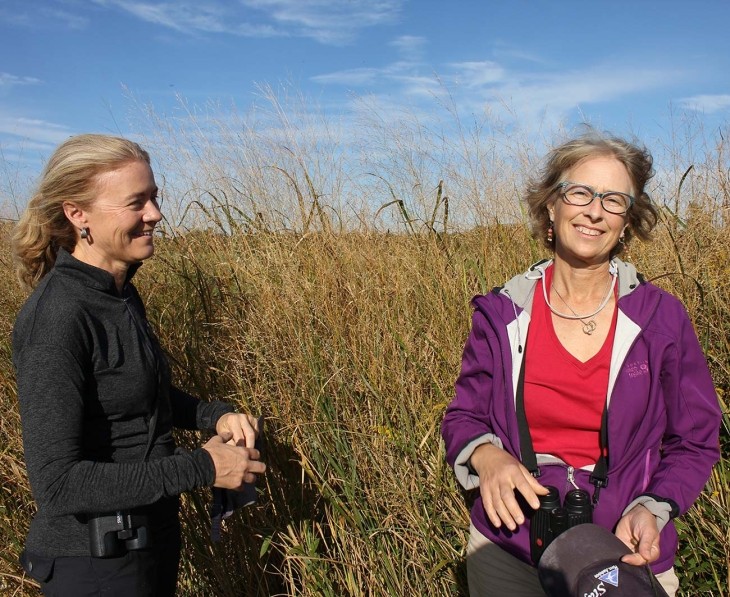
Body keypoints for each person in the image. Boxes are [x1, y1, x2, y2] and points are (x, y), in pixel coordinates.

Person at [441, 133, 721, 596]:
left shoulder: (660, 319)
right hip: (509, 551)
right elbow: (463, 416)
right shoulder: (501, 314)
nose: (595, 210)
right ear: (551, 206)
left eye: (614, 200)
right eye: (580, 192)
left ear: (627, 220)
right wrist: (486, 457)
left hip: (624, 552)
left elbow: (695, 440)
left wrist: (653, 508)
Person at [12, 134, 266, 596]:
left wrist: (215, 415)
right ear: (77, 214)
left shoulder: (121, 293)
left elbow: (139, 394)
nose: (155, 214)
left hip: (147, 548)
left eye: (154, 197)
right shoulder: (58, 316)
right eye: (136, 202)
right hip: (92, 565)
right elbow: (57, 484)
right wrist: (201, 468)